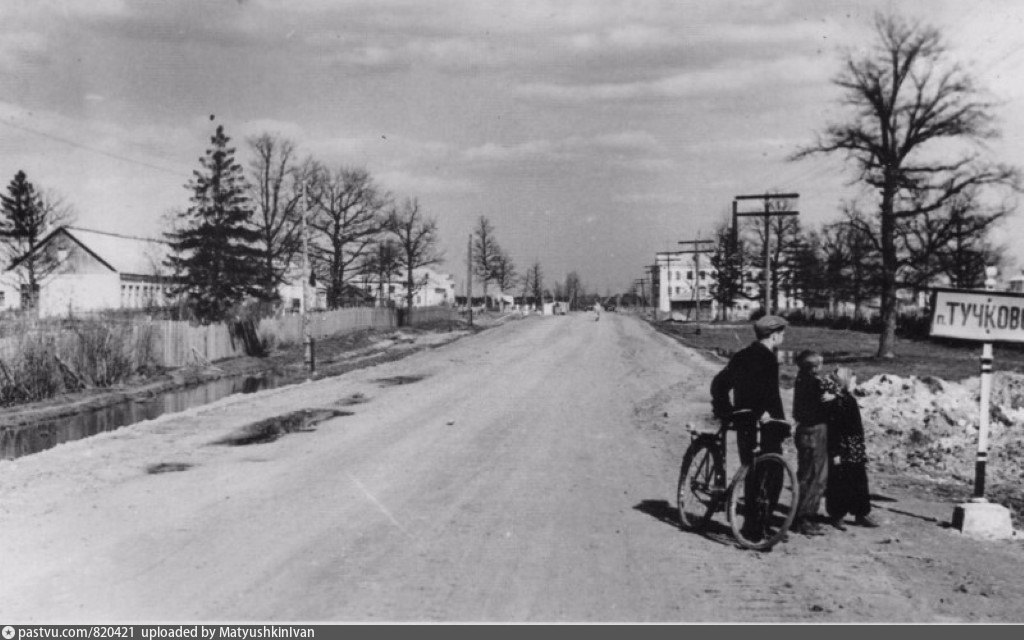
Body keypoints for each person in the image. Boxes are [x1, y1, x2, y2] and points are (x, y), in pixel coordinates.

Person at [710, 314, 790, 540]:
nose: (783, 337)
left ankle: (755, 526)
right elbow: (768, 396)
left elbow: (719, 383)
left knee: (754, 474)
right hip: (763, 424)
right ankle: (757, 527)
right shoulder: (766, 359)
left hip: (746, 422)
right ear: (774, 335)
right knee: (771, 475)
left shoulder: (742, 355)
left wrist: (726, 411)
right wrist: (772, 419)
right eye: (782, 333)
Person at [791, 350, 840, 536]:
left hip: (804, 431)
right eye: (820, 363)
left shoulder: (801, 379)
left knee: (805, 475)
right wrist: (834, 396)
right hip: (815, 431)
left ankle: (798, 515)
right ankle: (805, 518)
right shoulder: (815, 383)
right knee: (816, 476)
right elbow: (834, 396)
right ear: (815, 366)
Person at [825, 367, 880, 530]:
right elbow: (833, 428)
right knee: (839, 481)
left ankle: (861, 513)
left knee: (859, 480)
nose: (855, 383)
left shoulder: (848, 398)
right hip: (841, 446)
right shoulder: (835, 401)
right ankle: (837, 515)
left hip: (854, 445)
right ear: (844, 382)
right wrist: (835, 451)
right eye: (853, 380)